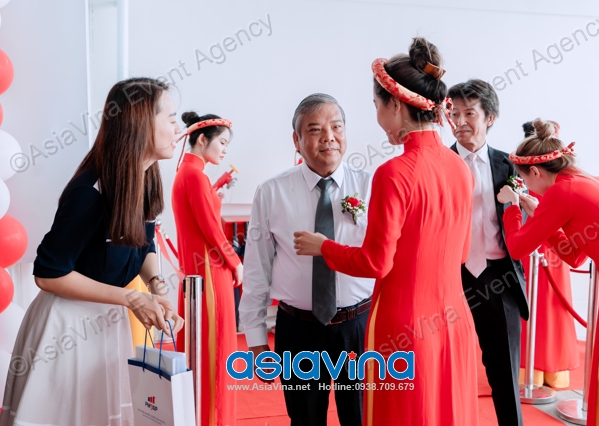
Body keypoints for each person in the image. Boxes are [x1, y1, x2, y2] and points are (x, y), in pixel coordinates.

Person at [294, 38, 479, 426]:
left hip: (404, 324)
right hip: (454, 318)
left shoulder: (394, 173)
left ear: (395, 105)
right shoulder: (459, 167)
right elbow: (462, 253)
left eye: (377, 105)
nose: (377, 114)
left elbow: (375, 263)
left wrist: (324, 247)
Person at [0, 77, 184, 426]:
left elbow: (144, 243)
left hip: (107, 321)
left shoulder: (144, 179)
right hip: (65, 329)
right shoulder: (90, 192)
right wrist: (132, 298)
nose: (179, 128)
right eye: (171, 118)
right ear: (141, 123)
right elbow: (49, 273)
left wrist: (157, 288)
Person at [239, 93, 375, 426]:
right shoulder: (272, 192)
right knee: (304, 419)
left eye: (336, 127)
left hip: (359, 327)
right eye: (315, 130)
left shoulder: (372, 186)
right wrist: (256, 340)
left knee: (361, 418)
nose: (329, 137)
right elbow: (256, 268)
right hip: (298, 330)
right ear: (296, 140)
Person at [497, 118, 599, 426]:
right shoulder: (592, 181)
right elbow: (574, 256)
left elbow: (518, 248)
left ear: (535, 172)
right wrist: (539, 213)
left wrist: (511, 207)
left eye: (525, 179)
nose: (527, 186)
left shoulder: (563, 192)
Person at [447, 79, 529, 426]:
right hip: (451, 277)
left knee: (504, 372)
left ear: (489, 117)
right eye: (454, 113)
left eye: (470, 113)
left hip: (499, 278)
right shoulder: (441, 163)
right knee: (449, 370)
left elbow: (523, 218)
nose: (460, 121)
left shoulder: (508, 165)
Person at [172, 111, 243, 426]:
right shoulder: (195, 177)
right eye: (222, 143)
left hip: (196, 276)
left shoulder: (186, 173)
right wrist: (236, 262)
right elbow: (213, 231)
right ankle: (214, 419)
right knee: (216, 353)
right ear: (203, 139)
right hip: (211, 277)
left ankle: (201, 416)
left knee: (202, 353)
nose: (225, 150)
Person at [518, 121, 584, 388]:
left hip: (553, 249)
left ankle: (548, 367)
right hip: (535, 248)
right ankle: (532, 367)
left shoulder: (552, 180)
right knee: (532, 305)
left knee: (551, 305)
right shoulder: (534, 176)